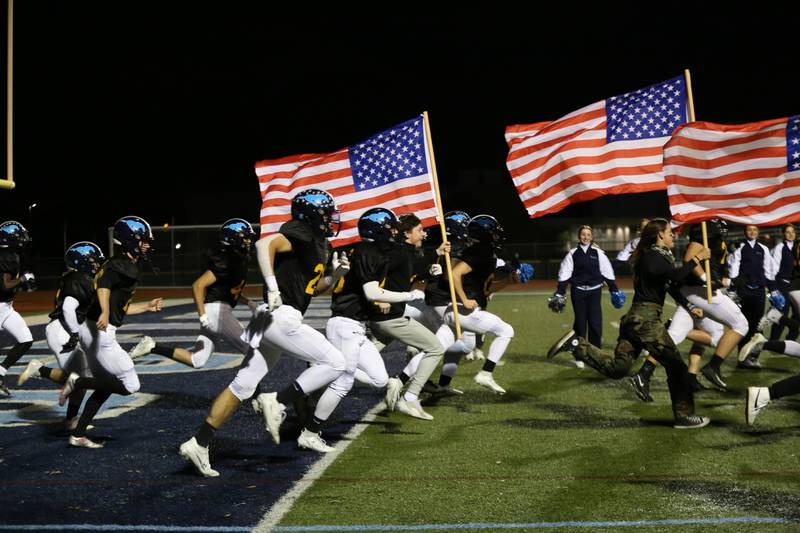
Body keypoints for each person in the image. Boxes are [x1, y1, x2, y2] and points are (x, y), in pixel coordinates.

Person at [178, 189, 347, 476]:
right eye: (327, 213)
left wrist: (337, 274)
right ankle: (276, 400)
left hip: (265, 318)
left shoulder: (318, 244)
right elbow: (263, 245)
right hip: (280, 315)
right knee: (336, 362)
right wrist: (271, 285)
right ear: (313, 215)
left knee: (242, 384)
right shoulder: (300, 233)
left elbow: (312, 289)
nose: (332, 219)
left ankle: (199, 442)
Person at [549, 218, 712, 429]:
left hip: (636, 320)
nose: (674, 236)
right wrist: (697, 258)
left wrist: (688, 305)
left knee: (618, 369)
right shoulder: (653, 256)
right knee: (677, 366)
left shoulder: (657, 257)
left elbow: (669, 285)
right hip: (646, 321)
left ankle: (575, 345)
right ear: (660, 234)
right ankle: (684, 416)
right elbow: (677, 277)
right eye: (670, 232)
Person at [59, 217, 163, 448]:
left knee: (105, 385)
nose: (147, 245)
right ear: (130, 241)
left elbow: (120, 306)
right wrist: (105, 311)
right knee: (130, 385)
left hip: (92, 328)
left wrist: (146, 306)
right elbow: (103, 285)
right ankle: (78, 382)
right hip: (99, 331)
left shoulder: (121, 264)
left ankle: (77, 434)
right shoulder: (120, 264)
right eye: (143, 241)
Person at [129, 219, 259, 367]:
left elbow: (229, 290)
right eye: (245, 237)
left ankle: (152, 346)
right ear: (234, 238)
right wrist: (202, 315)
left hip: (216, 312)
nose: (249, 241)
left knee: (197, 360)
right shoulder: (227, 260)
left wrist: (248, 302)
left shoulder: (237, 259)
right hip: (217, 313)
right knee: (252, 351)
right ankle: (248, 389)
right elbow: (198, 285)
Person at [367, 212, 448, 418]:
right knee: (435, 348)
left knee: (359, 357)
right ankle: (410, 397)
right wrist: (378, 297)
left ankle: (318, 381)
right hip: (390, 317)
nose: (423, 234)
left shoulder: (404, 251)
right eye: (419, 230)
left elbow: (410, 272)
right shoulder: (398, 253)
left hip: (385, 318)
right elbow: (375, 275)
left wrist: (430, 268)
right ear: (406, 233)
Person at [18, 242, 105, 430]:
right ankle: (69, 419)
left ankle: (69, 419)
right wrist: (75, 333)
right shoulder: (78, 278)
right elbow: (68, 308)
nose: (97, 265)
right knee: (78, 379)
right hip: (63, 330)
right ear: (82, 261)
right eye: (93, 261)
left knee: (79, 378)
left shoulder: (76, 277)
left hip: (65, 328)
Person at [547, 225, 626, 365]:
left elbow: (607, 271)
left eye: (588, 235)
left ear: (591, 237)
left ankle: (596, 355)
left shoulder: (597, 253)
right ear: (579, 237)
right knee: (580, 324)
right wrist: (560, 291)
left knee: (595, 324)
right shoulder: (572, 253)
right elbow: (565, 273)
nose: (585, 237)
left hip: (595, 291)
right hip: (578, 292)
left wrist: (614, 289)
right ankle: (579, 355)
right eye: (583, 234)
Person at [728, 224, 784, 366]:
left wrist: (773, 290)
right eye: (749, 230)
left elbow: (769, 271)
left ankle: (753, 357)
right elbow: (733, 269)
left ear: (758, 232)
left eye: (754, 230)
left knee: (758, 325)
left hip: (759, 291)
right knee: (744, 324)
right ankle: (742, 358)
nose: (752, 232)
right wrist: (734, 289)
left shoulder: (763, 249)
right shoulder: (740, 248)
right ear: (745, 232)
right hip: (744, 291)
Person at [0, 221, 36, 396]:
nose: (23, 240)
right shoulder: (8, 255)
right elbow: (5, 286)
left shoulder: (7, 253)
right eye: (19, 237)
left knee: (26, 340)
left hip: (6, 308)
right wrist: (22, 280)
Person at [769, 223, 800, 341]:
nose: (791, 234)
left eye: (793, 232)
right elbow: (775, 268)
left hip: (794, 284)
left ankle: (791, 339)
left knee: (797, 314)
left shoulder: (797, 246)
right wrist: (774, 288)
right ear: (783, 234)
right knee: (783, 313)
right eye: (788, 232)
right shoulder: (780, 247)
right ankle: (773, 340)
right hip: (782, 282)